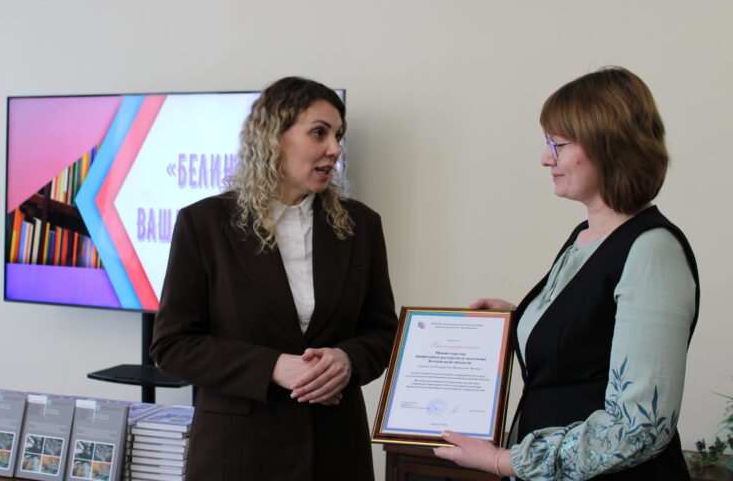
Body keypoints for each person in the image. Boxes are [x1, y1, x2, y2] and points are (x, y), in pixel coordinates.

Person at [434, 67, 699, 480]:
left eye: (557, 144)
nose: (545, 158)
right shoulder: (585, 235)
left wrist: (503, 461)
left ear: (609, 145)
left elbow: (639, 428)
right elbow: (587, 340)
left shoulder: (653, 250)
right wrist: (523, 318)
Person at [150, 76, 398, 481]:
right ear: (273, 138)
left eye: (338, 136)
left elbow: (383, 331)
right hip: (239, 456)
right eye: (319, 133)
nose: (335, 149)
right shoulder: (204, 223)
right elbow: (173, 345)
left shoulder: (362, 225)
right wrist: (272, 367)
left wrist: (347, 359)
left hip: (336, 453)